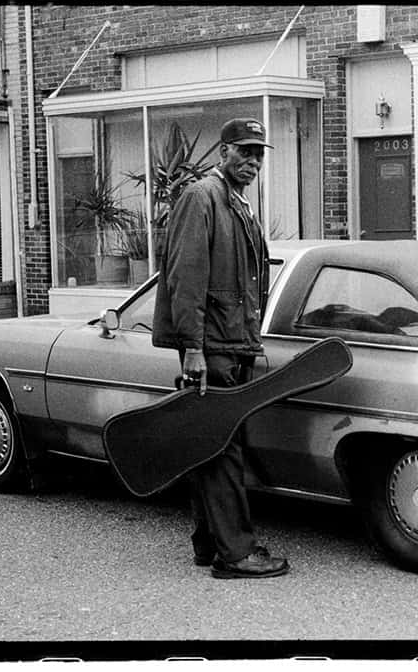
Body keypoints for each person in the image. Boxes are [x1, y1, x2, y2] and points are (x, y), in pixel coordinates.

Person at [152, 117, 289, 579]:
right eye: (244, 151)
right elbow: (185, 277)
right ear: (222, 151)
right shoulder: (201, 197)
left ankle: (210, 544)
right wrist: (192, 349)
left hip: (232, 341)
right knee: (222, 448)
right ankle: (237, 554)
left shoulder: (237, 203)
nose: (252, 161)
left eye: (259, 154)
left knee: (211, 443)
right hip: (211, 345)